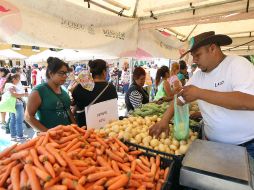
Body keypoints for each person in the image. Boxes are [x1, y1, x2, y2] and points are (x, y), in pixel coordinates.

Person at [149, 31, 254, 157]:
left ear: (213, 48)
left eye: (198, 55)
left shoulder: (237, 64)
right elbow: (180, 97)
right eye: (193, 56)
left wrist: (200, 93)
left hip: (246, 147)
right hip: (211, 145)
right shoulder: (198, 76)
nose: (194, 60)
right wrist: (164, 120)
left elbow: (248, 102)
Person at [25, 57, 76, 131]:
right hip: (51, 139)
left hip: (68, 135)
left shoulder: (64, 91)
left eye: (66, 73)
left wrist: (76, 128)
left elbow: (68, 111)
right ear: (51, 73)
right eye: (61, 73)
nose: (65, 76)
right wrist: (48, 133)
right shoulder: (39, 91)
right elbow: (28, 117)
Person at [72, 59, 118, 127]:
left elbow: (75, 103)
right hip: (106, 126)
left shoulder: (80, 87)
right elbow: (113, 105)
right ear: (104, 72)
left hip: (84, 128)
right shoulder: (111, 88)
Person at [0, 74, 28, 141]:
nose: (19, 80)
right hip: (17, 104)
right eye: (18, 79)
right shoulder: (11, 85)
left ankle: (13, 136)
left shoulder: (7, 85)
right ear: (13, 79)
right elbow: (14, 94)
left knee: (12, 120)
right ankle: (20, 136)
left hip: (12, 104)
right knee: (19, 120)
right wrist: (25, 94)